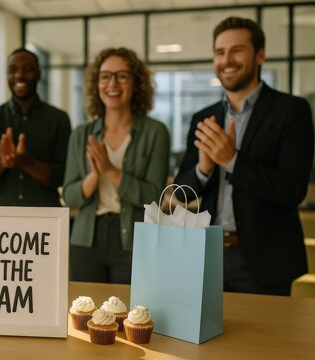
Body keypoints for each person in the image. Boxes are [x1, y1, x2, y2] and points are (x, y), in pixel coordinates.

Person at [175, 17, 314, 295]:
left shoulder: (292, 111)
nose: (226, 59)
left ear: (260, 54)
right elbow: (183, 195)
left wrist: (232, 161)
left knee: (263, 340)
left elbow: (292, 190)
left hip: (264, 261)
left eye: (237, 50)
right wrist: (204, 168)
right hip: (208, 257)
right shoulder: (205, 117)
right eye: (219, 52)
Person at [63, 47, 170, 284]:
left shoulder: (156, 133)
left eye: (122, 76)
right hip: (85, 240)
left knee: (132, 315)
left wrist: (111, 171)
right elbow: (69, 198)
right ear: (96, 84)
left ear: (136, 83)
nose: (113, 83)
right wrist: (94, 175)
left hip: (134, 240)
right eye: (105, 76)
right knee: (86, 315)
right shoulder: (81, 134)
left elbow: (153, 198)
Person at [0, 48, 72, 206]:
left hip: (46, 219)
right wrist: (3, 162)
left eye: (27, 69)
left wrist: (26, 162)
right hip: (0, 219)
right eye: (12, 70)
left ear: (39, 74)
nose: (19, 75)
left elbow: (63, 177)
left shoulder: (58, 119)